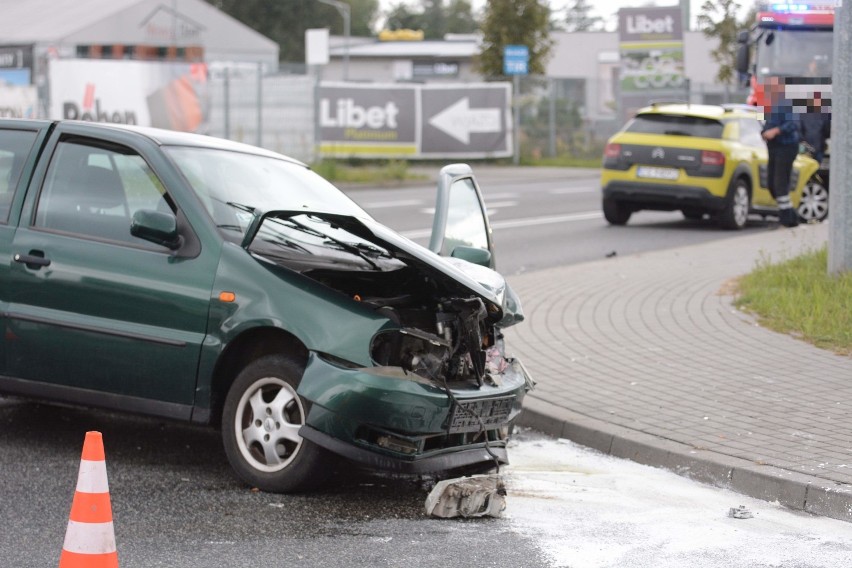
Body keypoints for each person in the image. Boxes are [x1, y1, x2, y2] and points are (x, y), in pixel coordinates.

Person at [761, 76, 800, 228]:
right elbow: (766, 123)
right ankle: (790, 215)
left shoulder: (787, 103)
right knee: (771, 184)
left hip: (787, 146)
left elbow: (793, 124)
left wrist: (776, 131)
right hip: (774, 147)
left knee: (780, 183)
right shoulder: (768, 105)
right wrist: (764, 133)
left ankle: (787, 219)